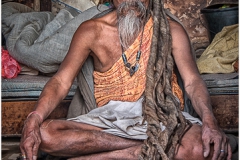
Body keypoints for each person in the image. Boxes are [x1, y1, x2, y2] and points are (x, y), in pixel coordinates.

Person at [20, 0, 232, 159]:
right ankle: (146, 149)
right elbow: (60, 81)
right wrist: (35, 117)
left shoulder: (170, 30)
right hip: (107, 121)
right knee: (46, 134)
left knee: (202, 148)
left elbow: (193, 82)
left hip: (162, 118)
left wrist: (209, 122)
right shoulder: (92, 30)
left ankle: (107, 156)